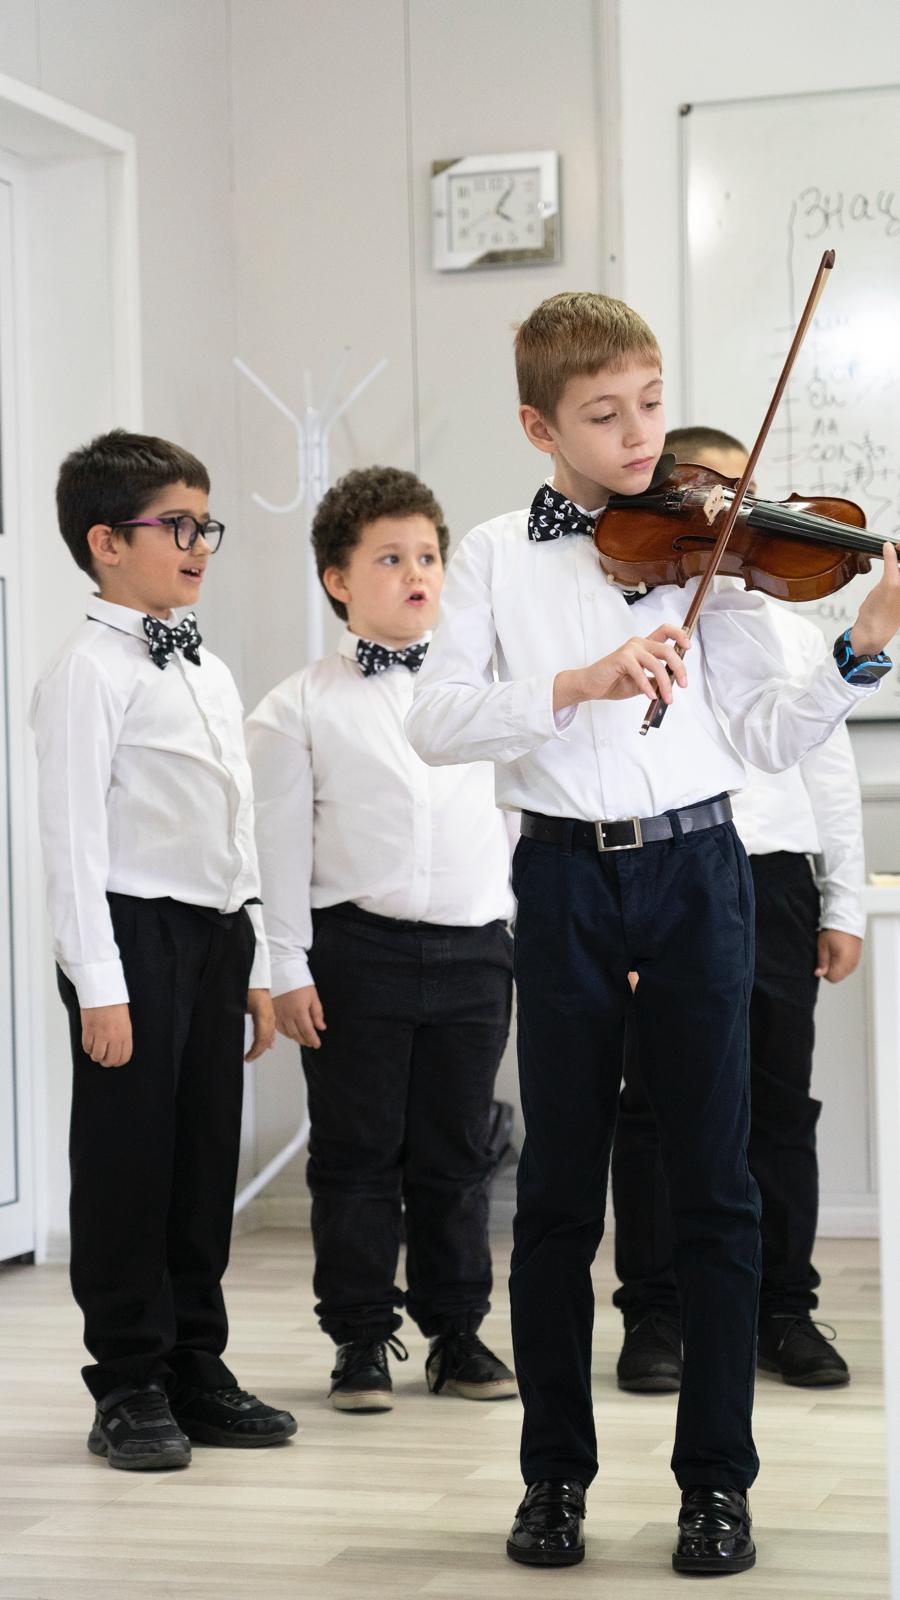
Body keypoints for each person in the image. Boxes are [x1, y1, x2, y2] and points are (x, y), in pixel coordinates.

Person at [404, 292, 899, 1575]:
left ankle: (716, 1484)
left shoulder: (708, 548)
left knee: (717, 1190)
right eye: (605, 415)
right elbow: (436, 721)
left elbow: (766, 736)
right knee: (558, 1196)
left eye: (651, 405)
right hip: (565, 880)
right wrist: (575, 684)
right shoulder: (495, 555)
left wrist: (859, 652)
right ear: (540, 427)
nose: (640, 439)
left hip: (699, 870)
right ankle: (553, 1479)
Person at [30, 430, 297, 1472]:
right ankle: (128, 1379)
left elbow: (239, 825)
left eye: (204, 525)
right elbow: (72, 843)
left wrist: (257, 963)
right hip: (131, 936)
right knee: (128, 1162)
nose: (198, 545)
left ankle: (195, 1361)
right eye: (175, 526)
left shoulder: (207, 667)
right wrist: (98, 985)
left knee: (200, 1157)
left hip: (215, 932)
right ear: (106, 542)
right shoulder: (86, 673)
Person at [245, 465, 518, 1414]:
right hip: (356, 951)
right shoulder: (297, 706)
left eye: (429, 556)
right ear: (338, 580)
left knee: (459, 1150)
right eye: (391, 558)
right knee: (356, 1153)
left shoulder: (489, 693)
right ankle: (360, 1336)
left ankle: (457, 1330)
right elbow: (277, 850)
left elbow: (519, 823)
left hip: (477, 950)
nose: (418, 574)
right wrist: (285, 966)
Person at [613, 427, 864, 1396]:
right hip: (665, 873)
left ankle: (782, 1308)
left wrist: (844, 900)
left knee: (778, 1102)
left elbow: (828, 774)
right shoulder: (635, 613)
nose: (731, 515)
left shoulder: (788, 626)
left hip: (775, 877)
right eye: (708, 497)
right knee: (653, 1103)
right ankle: (657, 1311)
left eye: (743, 496)